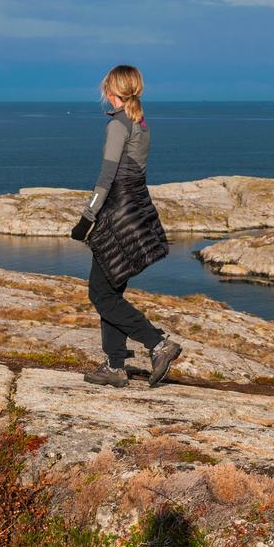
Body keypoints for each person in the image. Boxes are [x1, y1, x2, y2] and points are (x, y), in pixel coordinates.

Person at [70, 65, 182, 388]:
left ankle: (158, 343)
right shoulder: (141, 125)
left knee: (100, 294)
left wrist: (86, 219)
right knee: (111, 290)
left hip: (116, 216)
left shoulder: (118, 125)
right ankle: (116, 365)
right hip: (136, 212)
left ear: (111, 91)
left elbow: (106, 178)